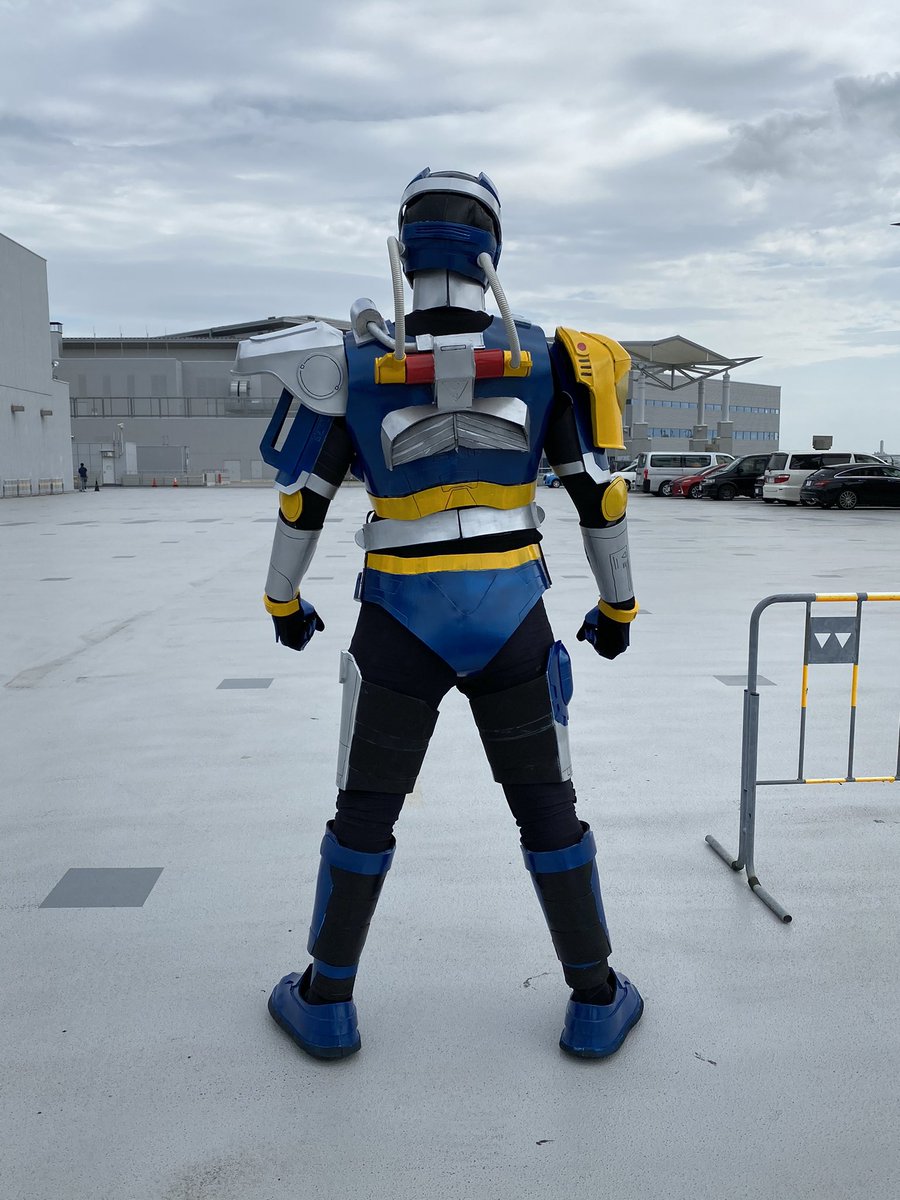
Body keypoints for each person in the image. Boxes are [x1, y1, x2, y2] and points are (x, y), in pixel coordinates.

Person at [235, 169, 643, 1061]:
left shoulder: (347, 367)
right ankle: (594, 998)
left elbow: (301, 502)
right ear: (490, 242)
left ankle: (326, 1000)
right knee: (548, 804)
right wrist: (618, 608)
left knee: (365, 809)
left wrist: (282, 601)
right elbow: (600, 498)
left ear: (407, 244)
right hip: (512, 612)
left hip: (398, 616)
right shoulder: (552, 358)